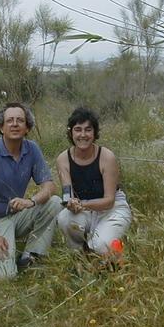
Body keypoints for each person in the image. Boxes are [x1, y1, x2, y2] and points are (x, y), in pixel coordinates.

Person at [0, 102, 62, 280]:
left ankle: (31, 255)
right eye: (9, 120)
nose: (14, 124)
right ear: (1, 127)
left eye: (20, 120)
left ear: (27, 128)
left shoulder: (32, 149)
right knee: (3, 277)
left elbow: (49, 186)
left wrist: (31, 201)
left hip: (15, 214)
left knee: (54, 202)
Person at [56, 107, 132, 257]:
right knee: (64, 218)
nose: (83, 135)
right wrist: (70, 203)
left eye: (88, 130)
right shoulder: (63, 159)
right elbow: (67, 194)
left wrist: (82, 204)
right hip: (84, 209)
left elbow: (109, 201)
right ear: (71, 132)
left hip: (111, 208)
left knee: (102, 247)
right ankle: (78, 252)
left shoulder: (107, 157)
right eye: (78, 130)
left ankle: (112, 246)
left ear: (94, 133)